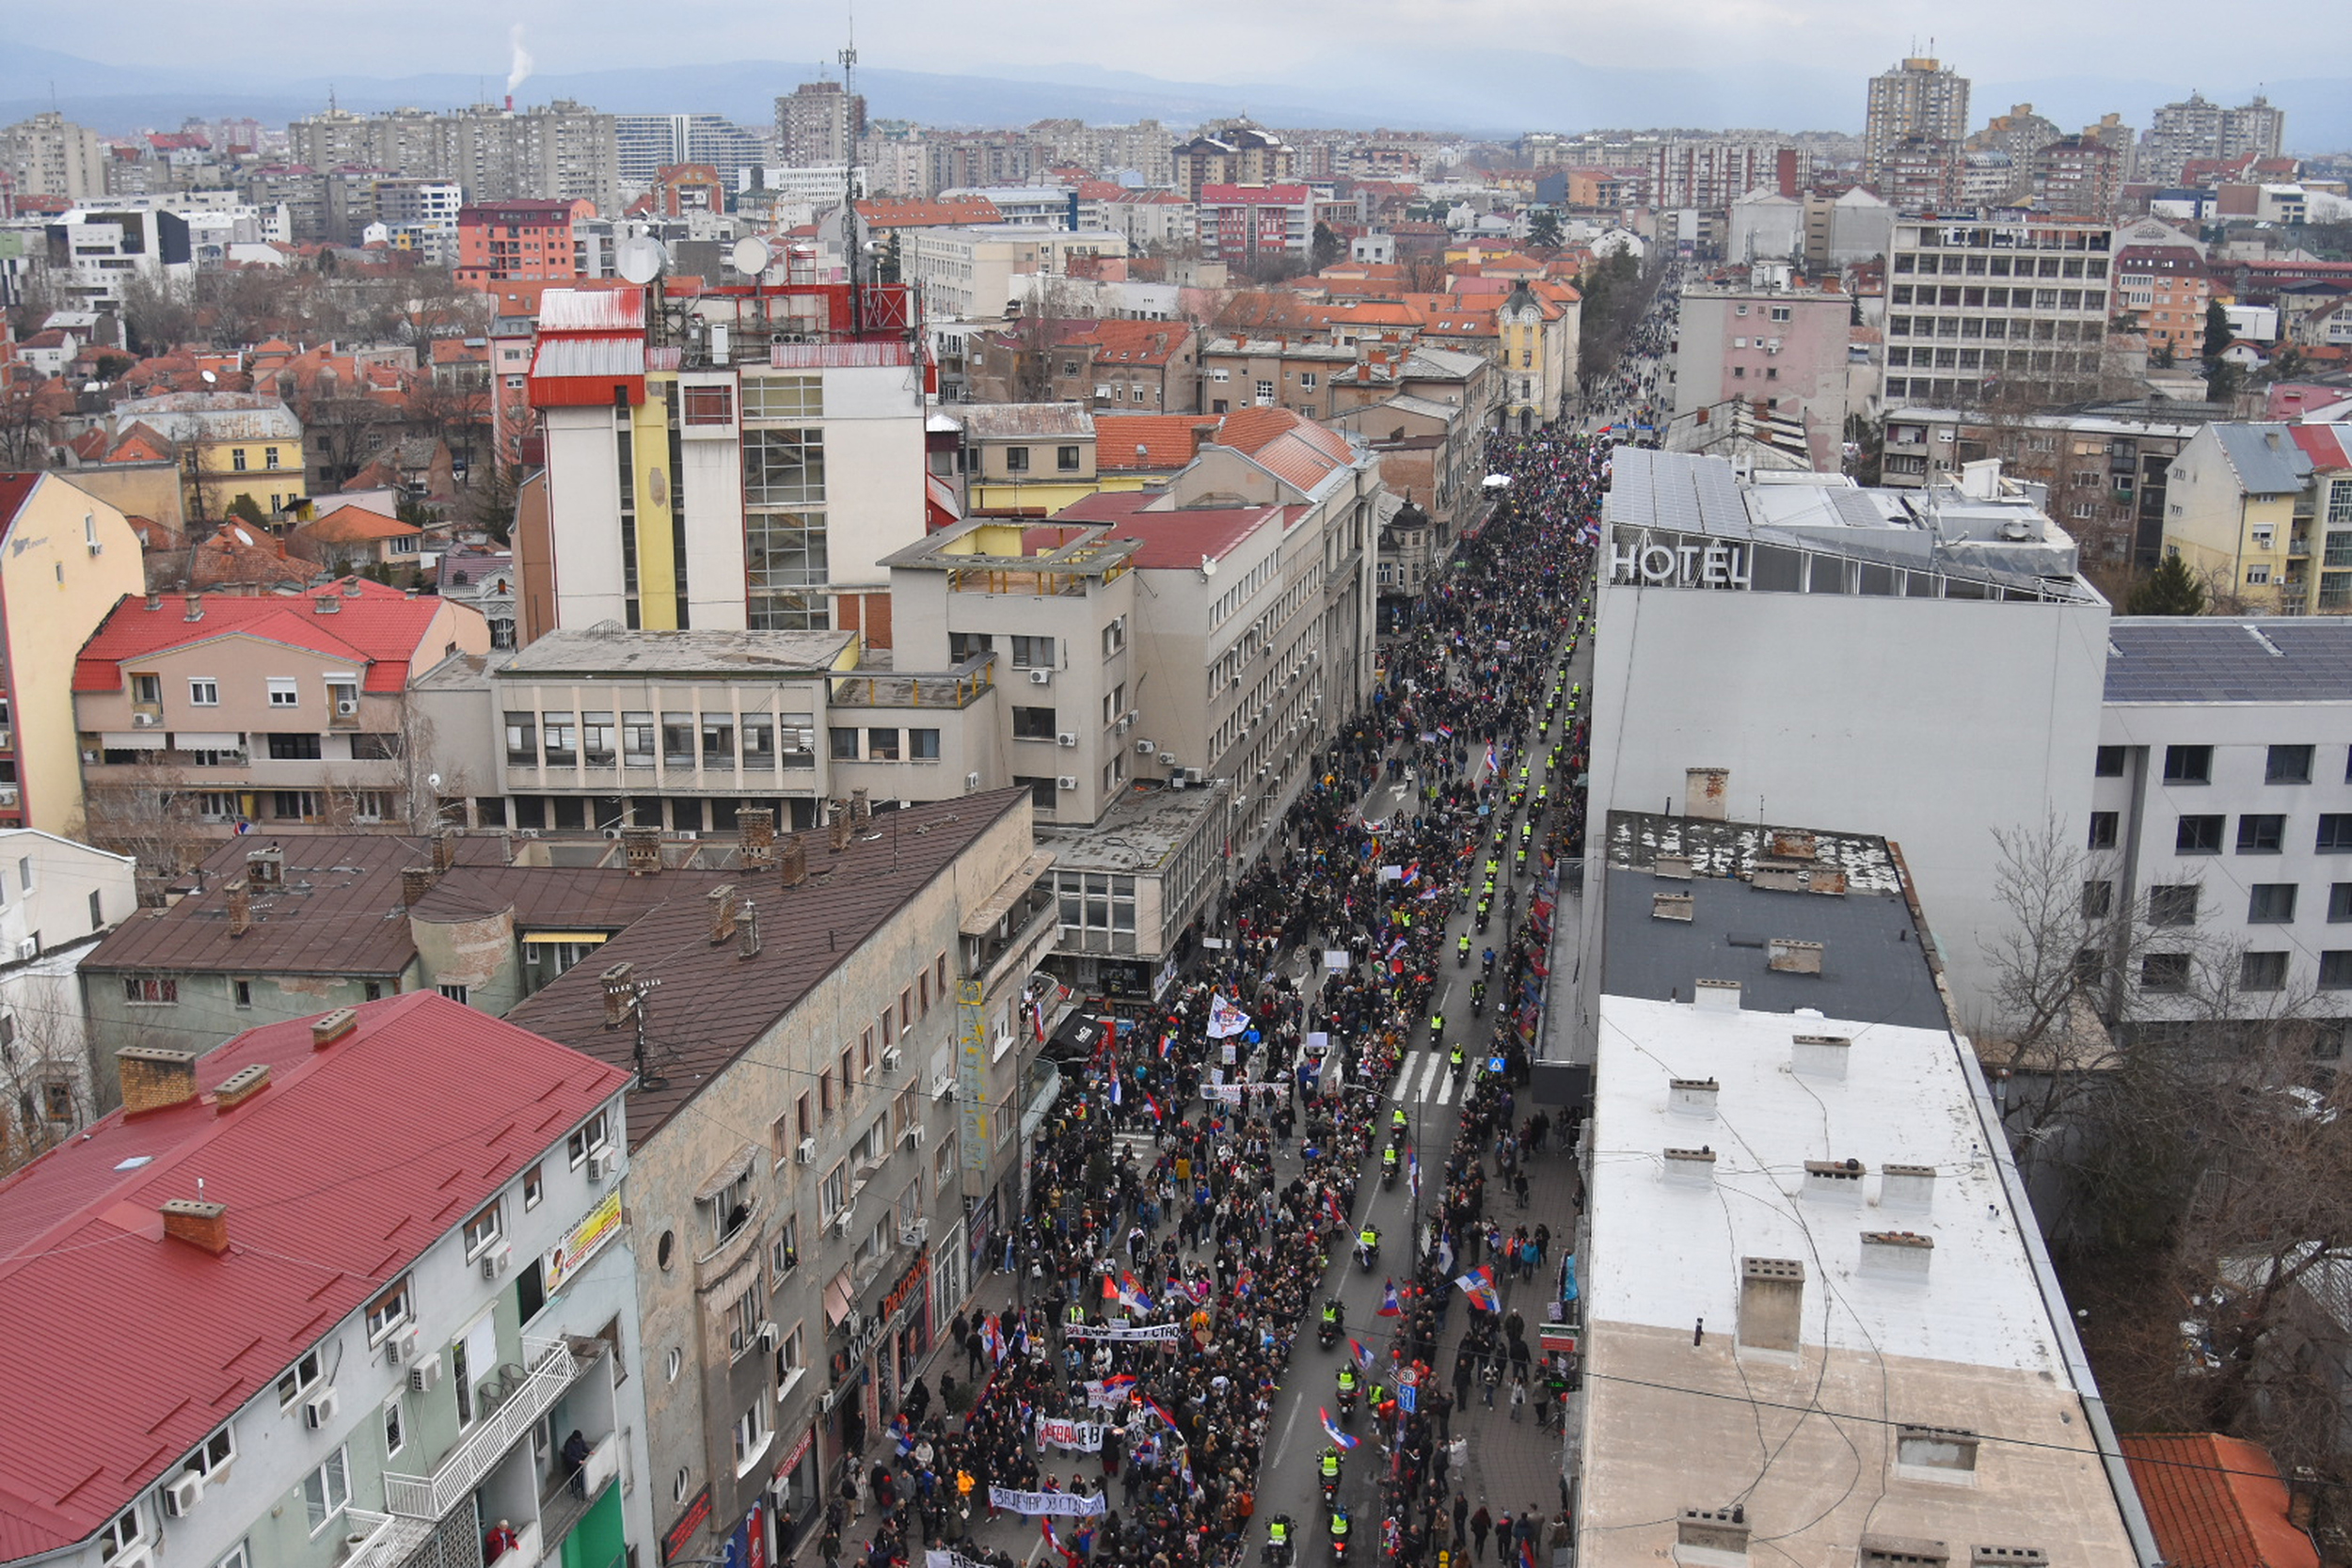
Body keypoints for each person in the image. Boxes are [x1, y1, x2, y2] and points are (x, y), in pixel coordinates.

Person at [560, 1429, 592, 1497]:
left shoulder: (580, 1440)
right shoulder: (569, 1444)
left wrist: (589, 1451)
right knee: (574, 1478)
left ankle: (582, 1492)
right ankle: (574, 1492)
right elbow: (568, 1456)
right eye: (577, 1439)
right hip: (572, 1465)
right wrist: (578, 1461)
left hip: (579, 1462)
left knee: (581, 1479)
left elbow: (584, 1447)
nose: (578, 1440)